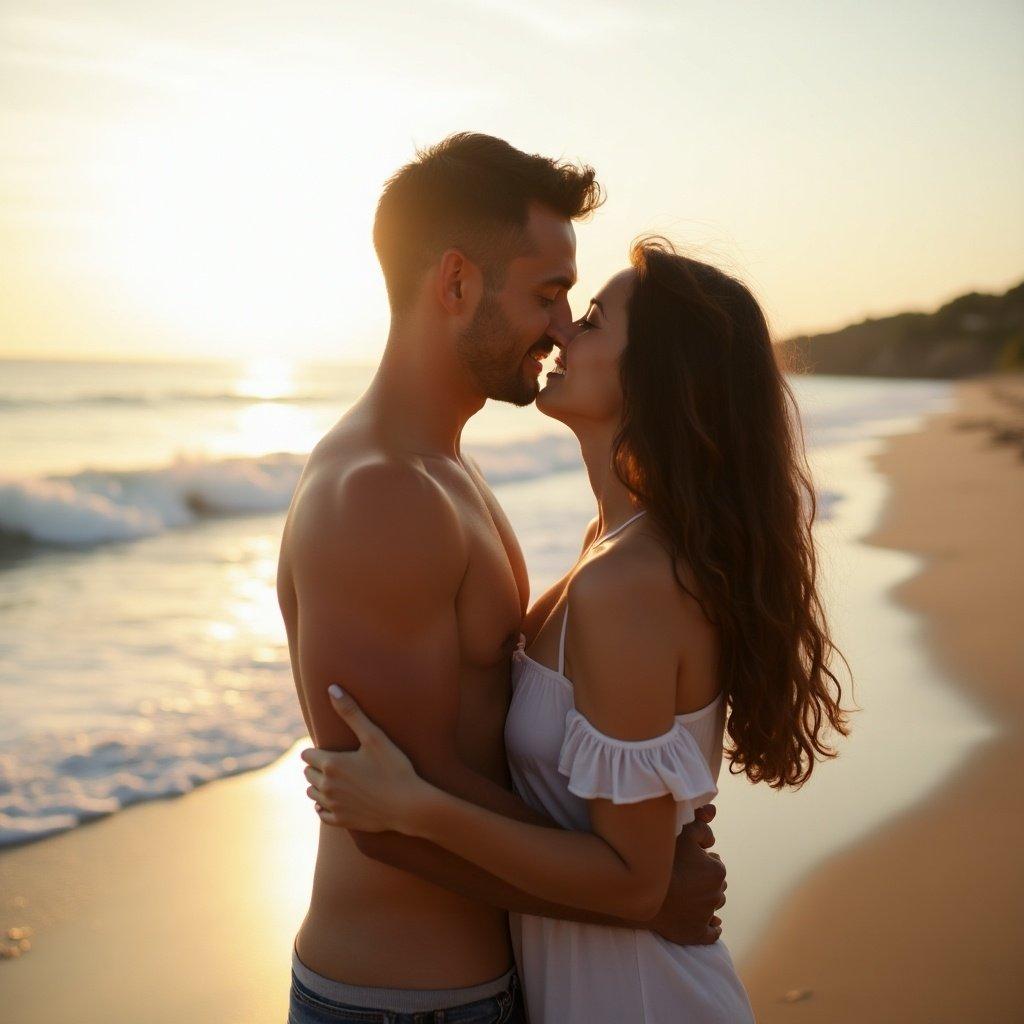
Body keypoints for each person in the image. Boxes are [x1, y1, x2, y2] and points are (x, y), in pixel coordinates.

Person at [301, 238, 853, 1022]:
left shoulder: (630, 582)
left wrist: (417, 809)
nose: (561, 331)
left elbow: (633, 881)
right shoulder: (612, 550)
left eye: (591, 319)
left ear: (654, 378)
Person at [276, 134, 730, 1024]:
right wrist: (637, 889)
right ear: (456, 283)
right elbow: (389, 812)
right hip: (403, 1006)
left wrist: (638, 847)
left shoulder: (446, 470)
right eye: (548, 294)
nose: (563, 325)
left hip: (487, 987)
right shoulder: (380, 496)